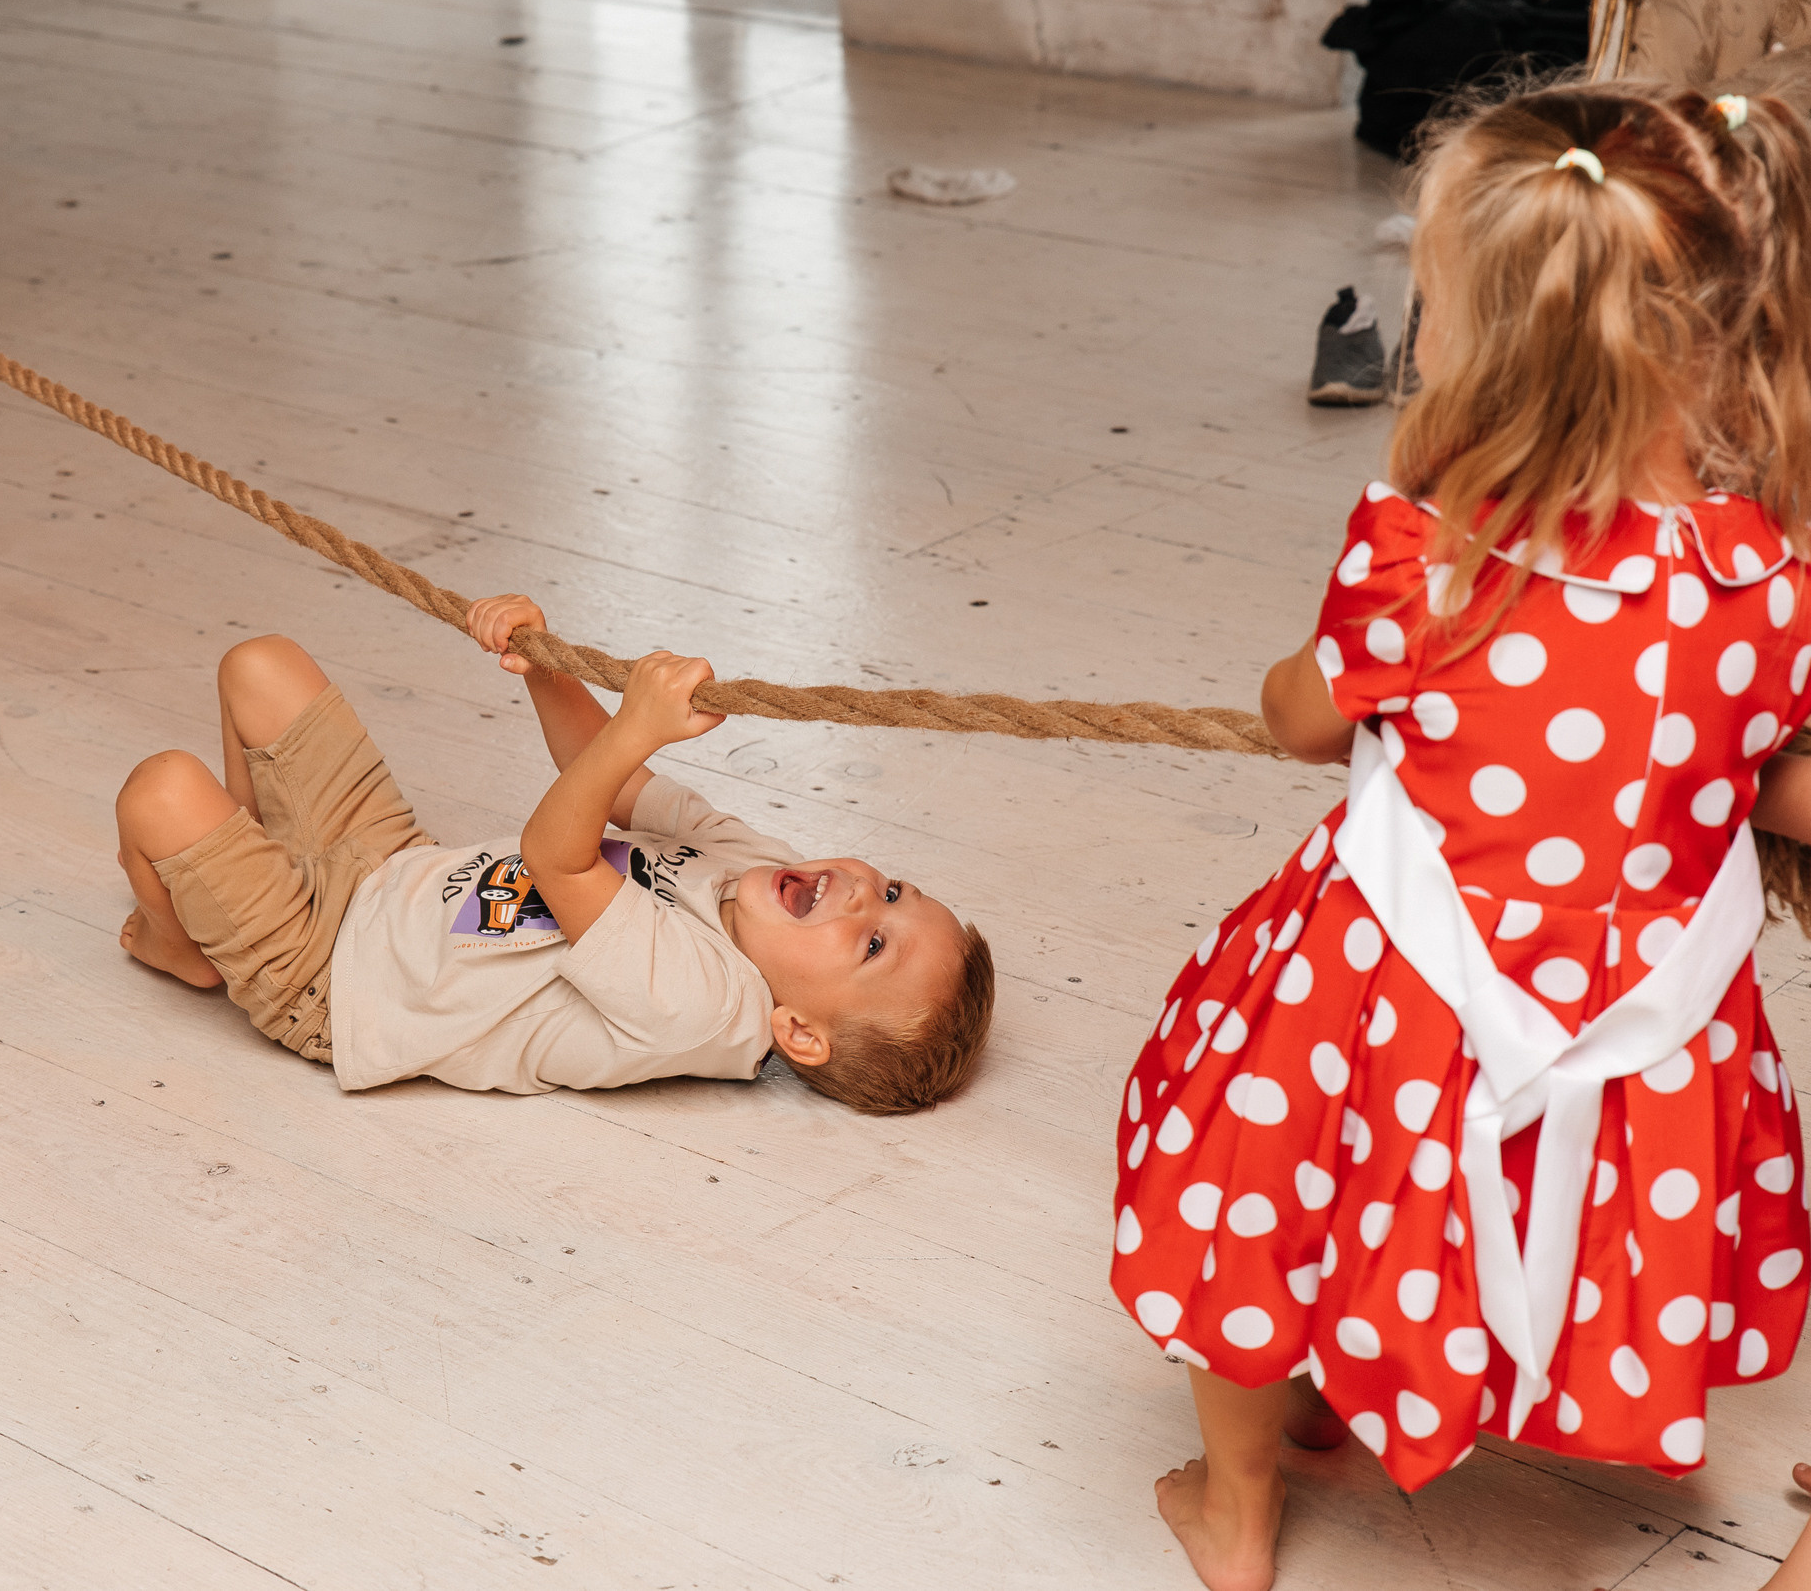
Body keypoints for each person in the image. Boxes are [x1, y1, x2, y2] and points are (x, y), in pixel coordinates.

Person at [1113, 82, 1811, 1591]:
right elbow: (1752, 771)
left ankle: (1237, 1508)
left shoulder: (1430, 558)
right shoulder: (1764, 581)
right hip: (1647, 1027)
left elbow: (1304, 720)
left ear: (1476, 335)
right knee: (1489, 1188)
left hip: (1392, 992)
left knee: (1264, 1185)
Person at [111, 598, 996, 1110]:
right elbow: (607, 780)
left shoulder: (705, 1005)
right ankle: (234, 871)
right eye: (895, 890)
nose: (865, 895)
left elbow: (555, 856)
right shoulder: (754, 866)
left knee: (162, 789)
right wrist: (544, 666)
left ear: (799, 1030)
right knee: (260, 663)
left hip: (334, 976)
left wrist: (639, 726)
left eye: (871, 944)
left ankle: (186, 945)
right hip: (392, 868)